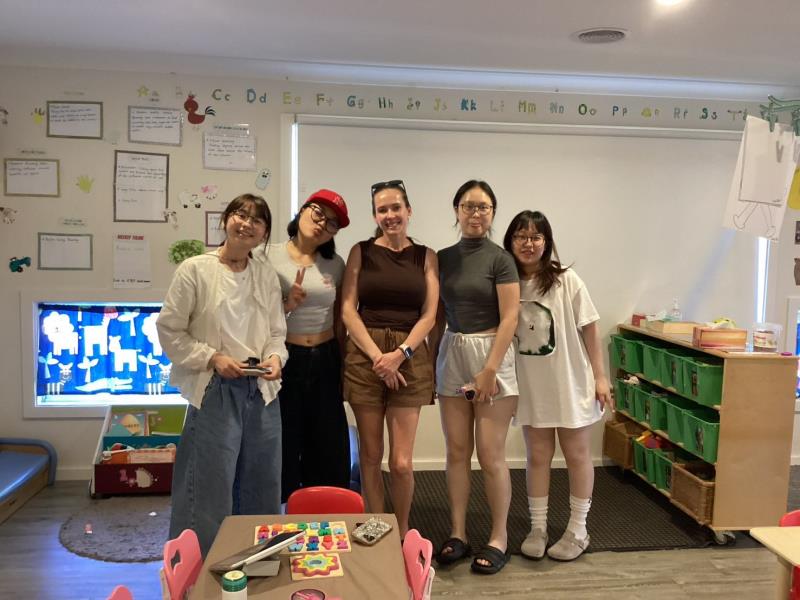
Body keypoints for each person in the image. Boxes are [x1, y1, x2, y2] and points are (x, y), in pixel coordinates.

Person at [157, 193, 287, 557]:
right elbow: (169, 330)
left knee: (262, 484)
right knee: (208, 488)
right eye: (240, 215)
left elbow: (277, 332)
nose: (246, 224)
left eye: (257, 220)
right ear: (226, 220)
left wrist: (276, 357)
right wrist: (213, 358)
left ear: (264, 233)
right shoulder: (195, 270)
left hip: (262, 389)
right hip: (215, 387)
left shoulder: (265, 274)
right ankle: (199, 572)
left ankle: (257, 564)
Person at [502, 210, 612, 562]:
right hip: (530, 385)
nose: (528, 243)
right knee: (537, 456)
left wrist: (600, 377)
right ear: (510, 241)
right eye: (521, 236)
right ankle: (538, 528)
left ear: (546, 242)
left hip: (570, 381)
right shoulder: (506, 283)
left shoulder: (567, 279)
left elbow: (590, 327)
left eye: (536, 237)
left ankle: (578, 530)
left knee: (577, 454)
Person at [341, 179, 439, 539]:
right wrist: (378, 358)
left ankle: (401, 531)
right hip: (365, 354)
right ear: (375, 216)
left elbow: (429, 315)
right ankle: (374, 528)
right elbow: (348, 310)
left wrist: (400, 355)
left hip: (409, 355)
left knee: (400, 463)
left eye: (396, 207)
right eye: (382, 210)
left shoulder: (426, 256)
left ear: (408, 211)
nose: (390, 215)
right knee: (370, 456)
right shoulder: (361, 252)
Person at [435, 180, 520, 575]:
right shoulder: (442, 258)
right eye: (468, 206)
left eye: (483, 207)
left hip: (491, 355)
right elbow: (437, 314)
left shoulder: (501, 259)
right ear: (457, 210)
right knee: (456, 451)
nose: (475, 213)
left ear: (492, 212)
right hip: (452, 351)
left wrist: (489, 370)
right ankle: (458, 533)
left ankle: (499, 537)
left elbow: (510, 317)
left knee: (490, 454)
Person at [256, 189, 351, 503]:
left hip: (325, 357)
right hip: (284, 358)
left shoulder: (335, 264)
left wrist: (344, 365)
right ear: (302, 211)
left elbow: (339, 318)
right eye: (318, 213)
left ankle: (324, 509)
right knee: (283, 438)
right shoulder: (266, 255)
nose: (322, 223)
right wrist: (287, 304)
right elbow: (252, 313)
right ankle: (280, 512)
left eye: (332, 223)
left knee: (327, 442)